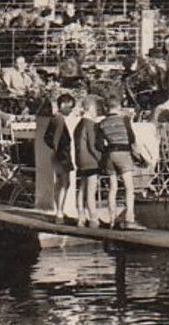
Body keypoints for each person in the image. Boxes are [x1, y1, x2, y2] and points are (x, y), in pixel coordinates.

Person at [96, 103, 146, 230]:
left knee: (113, 188)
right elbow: (132, 138)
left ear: (107, 109)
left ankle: (112, 219)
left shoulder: (102, 123)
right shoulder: (124, 120)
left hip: (110, 154)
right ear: (118, 108)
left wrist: (108, 149)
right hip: (123, 153)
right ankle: (130, 218)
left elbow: (99, 144)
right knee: (129, 187)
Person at [40, 93, 79, 224]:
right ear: (63, 105)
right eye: (70, 106)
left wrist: (53, 149)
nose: (71, 110)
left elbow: (47, 138)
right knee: (65, 183)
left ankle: (59, 211)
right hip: (62, 155)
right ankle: (60, 213)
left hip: (57, 154)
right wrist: (59, 151)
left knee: (59, 183)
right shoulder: (60, 119)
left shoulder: (54, 118)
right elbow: (57, 139)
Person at [74, 97, 106, 228]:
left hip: (80, 160)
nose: (97, 112)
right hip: (91, 161)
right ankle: (93, 217)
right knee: (91, 190)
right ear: (91, 109)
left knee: (82, 188)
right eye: (96, 109)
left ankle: (80, 217)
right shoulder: (91, 125)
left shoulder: (78, 125)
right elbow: (93, 146)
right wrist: (101, 159)